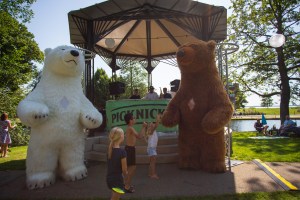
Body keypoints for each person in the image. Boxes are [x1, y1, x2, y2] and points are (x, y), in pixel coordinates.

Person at [123, 113, 147, 193]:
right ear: (130, 120)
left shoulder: (130, 128)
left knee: (130, 168)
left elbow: (140, 136)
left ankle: (126, 184)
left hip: (130, 149)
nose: (135, 119)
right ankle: (126, 186)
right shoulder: (130, 128)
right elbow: (140, 136)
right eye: (133, 118)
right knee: (132, 168)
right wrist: (143, 127)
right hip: (129, 149)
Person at [106, 127, 128, 200]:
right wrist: (126, 176)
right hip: (117, 180)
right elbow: (124, 170)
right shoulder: (122, 152)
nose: (124, 136)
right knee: (115, 198)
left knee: (115, 196)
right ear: (121, 137)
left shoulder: (109, 151)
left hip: (109, 179)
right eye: (123, 134)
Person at [145, 113, 162, 179]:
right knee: (153, 162)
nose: (152, 123)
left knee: (151, 162)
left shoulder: (151, 131)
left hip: (151, 148)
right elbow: (156, 125)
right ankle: (153, 174)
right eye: (150, 124)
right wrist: (158, 119)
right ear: (149, 126)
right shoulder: (151, 131)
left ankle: (150, 173)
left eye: (152, 123)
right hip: (151, 148)